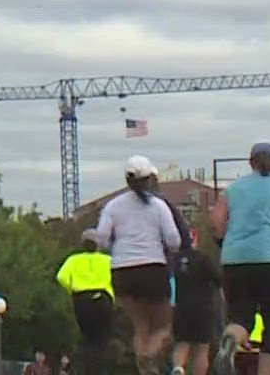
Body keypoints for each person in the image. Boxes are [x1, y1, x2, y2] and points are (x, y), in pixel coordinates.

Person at [212, 142, 270, 375]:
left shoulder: (231, 191)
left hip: (235, 261)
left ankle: (230, 344)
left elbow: (215, 222)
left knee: (240, 318)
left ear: (250, 162)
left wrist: (224, 242)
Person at [95, 155, 180, 375]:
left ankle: (144, 370)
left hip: (122, 271)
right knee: (163, 327)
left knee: (140, 327)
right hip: (152, 268)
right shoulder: (158, 206)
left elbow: (101, 238)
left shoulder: (113, 206)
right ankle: (149, 359)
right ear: (150, 179)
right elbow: (174, 240)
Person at [56, 229, 115, 375]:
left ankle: (86, 370)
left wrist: (72, 289)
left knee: (87, 337)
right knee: (101, 339)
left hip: (82, 299)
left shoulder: (73, 260)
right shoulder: (107, 260)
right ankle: (98, 370)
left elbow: (61, 277)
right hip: (103, 299)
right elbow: (118, 277)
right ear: (98, 244)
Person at [171, 220, 222, 375]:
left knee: (182, 345)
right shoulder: (204, 259)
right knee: (201, 349)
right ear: (196, 239)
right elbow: (219, 282)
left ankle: (178, 368)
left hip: (181, 309)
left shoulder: (174, 261)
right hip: (203, 309)